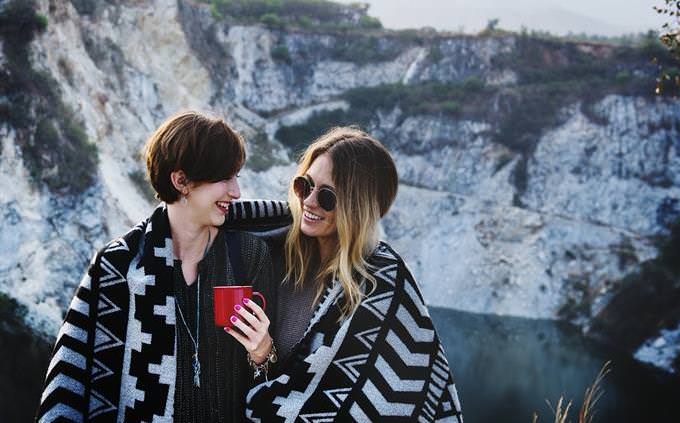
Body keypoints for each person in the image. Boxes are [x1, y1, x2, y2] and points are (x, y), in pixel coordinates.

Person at [36, 111, 278, 422]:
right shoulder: (119, 266)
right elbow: (72, 380)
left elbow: (273, 382)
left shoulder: (247, 254)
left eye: (237, 177)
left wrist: (263, 353)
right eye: (223, 178)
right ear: (181, 181)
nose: (236, 192)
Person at [232, 127, 463, 421]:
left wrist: (265, 354)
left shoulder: (383, 285)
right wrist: (262, 358)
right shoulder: (271, 253)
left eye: (327, 196)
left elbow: (408, 403)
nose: (309, 202)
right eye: (305, 185)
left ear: (358, 206)